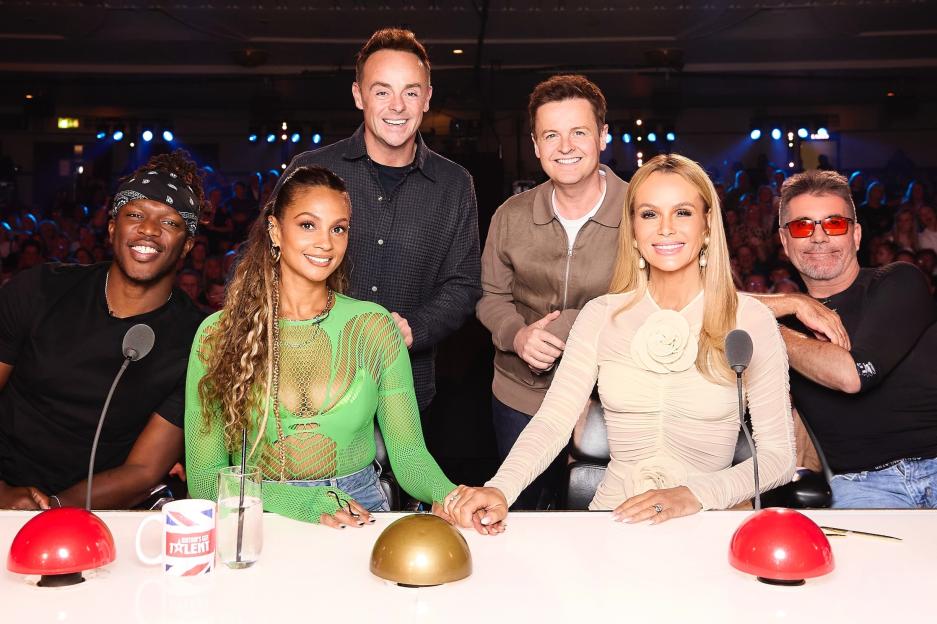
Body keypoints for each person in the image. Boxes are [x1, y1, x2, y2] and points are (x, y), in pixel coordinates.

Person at [443, 154, 795, 532]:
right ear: (633, 228)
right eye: (649, 214)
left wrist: (694, 494)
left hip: (706, 524)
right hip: (613, 522)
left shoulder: (751, 320)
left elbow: (778, 458)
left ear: (707, 225)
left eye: (682, 213)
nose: (665, 228)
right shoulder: (600, 315)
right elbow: (553, 421)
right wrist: (501, 487)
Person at [185, 166, 457, 527]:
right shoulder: (218, 334)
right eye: (308, 225)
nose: (326, 243)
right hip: (260, 511)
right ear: (275, 230)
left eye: (338, 228)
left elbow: (409, 456)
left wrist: (455, 498)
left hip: (360, 507)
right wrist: (304, 502)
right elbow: (205, 480)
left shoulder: (373, 326)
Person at [272, 28, 481, 418]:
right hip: (306, 385)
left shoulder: (454, 184)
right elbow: (261, 260)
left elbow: (463, 284)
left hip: (403, 392)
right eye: (382, 91)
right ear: (359, 95)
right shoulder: (310, 169)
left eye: (411, 92)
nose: (397, 106)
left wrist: (413, 328)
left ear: (427, 98)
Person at [0, 150, 205, 509]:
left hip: (99, 511)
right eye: (135, 215)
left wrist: (54, 509)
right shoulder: (38, 290)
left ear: (186, 244)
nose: (149, 229)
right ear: (113, 228)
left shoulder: (197, 339)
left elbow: (143, 470)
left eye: (170, 222)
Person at [477, 74, 626, 509]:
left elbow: (656, 299)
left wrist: (570, 324)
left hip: (612, 397)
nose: (565, 147)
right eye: (551, 135)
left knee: (609, 517)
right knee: (520, 513)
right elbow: (490, 296)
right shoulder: (511, 215)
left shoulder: (640, 210)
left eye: (578, 132)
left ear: (602, 136)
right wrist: (517, 335)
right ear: (536, 145)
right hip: (522, 394)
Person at [756, 170, 937, 508]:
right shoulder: (783, 320)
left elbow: (852, 375)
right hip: (862, 487)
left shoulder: (897, 281)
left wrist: (767, 327)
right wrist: (791, 303)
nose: (819, 237)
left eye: (834, 224)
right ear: (784, 240)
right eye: (802, 226)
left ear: (856, 235)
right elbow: (698, 306)